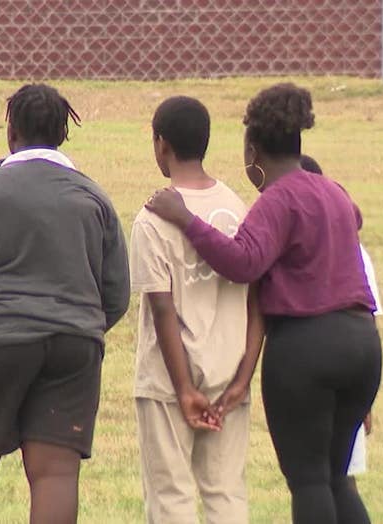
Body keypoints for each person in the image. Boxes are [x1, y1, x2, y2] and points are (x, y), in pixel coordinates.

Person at [146, 83, 382, 523]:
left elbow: (243, 262)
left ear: (252, 152)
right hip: (362, 345)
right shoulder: (332, 191)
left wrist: (185, 218)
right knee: (335, 477)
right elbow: (355, 218)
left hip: (307, 349)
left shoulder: (277, 199)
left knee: (309, 481)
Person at [0, 83, 130, 524]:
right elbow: (116, 293)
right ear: (63, 133)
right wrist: (78, 323)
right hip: (74, 344)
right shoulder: (94, 198)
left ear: (11, 132)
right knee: (55, 474)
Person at [130, 96, 263, 523]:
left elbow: (163, 310)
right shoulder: (237, 208)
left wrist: (185, 387)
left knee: (171, 496)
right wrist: (243, 376)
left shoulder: (153, 218)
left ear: (161, 145)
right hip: (229, 375)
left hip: (169, 381)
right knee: (226, 492)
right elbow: (256, 296)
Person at [300, 154, 383, 494]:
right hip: (341, 372)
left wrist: (365, 401)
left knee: (333, 484)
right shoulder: (352, 245)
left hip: (331, 376)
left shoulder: (344, 248)